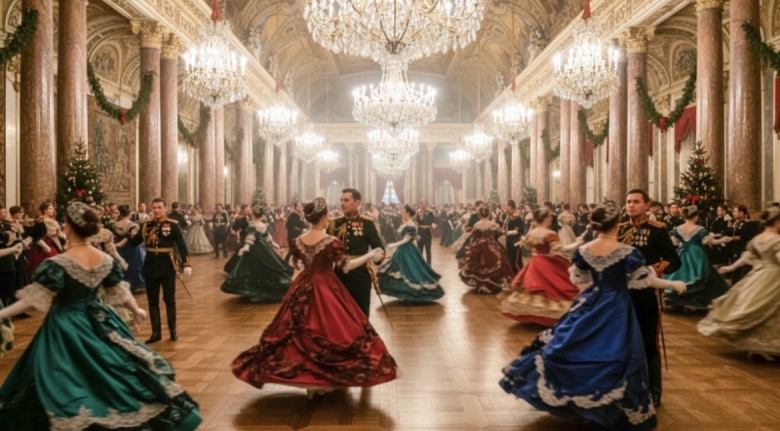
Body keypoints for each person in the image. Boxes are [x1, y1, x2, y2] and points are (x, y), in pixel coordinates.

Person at [0, 203, 201, 430]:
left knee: (59, 380)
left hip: (64, 327)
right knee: (110, 372)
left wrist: (2, 313)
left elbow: (32, 299)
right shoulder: (104, 260)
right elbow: (120, 292)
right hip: (99, 321)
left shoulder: (58, 263)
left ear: (69, 227)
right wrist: (136, 309)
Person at [500, 202, 686, 431]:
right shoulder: (627, 252)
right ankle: (606, 404)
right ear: (616, 224)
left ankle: (579, 396)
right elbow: (644, 280)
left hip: (590, 301)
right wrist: (672, 284)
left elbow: (579, 279)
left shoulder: (585, 250)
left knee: (577, 345)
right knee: (616, 351)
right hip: (617, 306)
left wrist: (589, 297)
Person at [231, 198, 397, 398]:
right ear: (324, 217)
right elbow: (346, 266)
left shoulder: (298, 241)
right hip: (327, 285)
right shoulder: (331, 241)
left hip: (303, 284)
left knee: (299, 328)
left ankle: (310, 384)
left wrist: (304, 267)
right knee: (331, 327)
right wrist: (368, 256)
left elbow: (295, 264)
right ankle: (324, 380)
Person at [618, 189, 681, 407]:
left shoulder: (657, 230)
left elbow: (674, 260)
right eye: (628, 201)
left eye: (636, 202)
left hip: (647, 294)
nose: (631, 205)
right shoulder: (620, 229)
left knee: (648, 342)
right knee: (623, 340)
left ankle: (654, 391)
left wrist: (653, 270)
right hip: (622, 294)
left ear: (647, 205)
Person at [698, 206, 780, 359]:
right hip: (774, 277)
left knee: (754, 306)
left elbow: (746, 257)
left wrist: (731, 267)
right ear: (777, 222)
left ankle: (757, 345)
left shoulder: (758, 238)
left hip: (759, 275)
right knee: (768, 308)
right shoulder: (777, 240)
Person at [500, 207, 583, 325]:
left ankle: (534, 315)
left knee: (535, 289)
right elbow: (560, 249)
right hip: (548, 263)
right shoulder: (549, 234)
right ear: (545, 218)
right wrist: (577, 243)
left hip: (535, 261)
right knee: (553, 288)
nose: (551, 218)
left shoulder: (532, 233)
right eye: (549, 216)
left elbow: (528, 246)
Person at [127, 198, 192, 343]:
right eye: (154, 208)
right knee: (152, 301)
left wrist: (186, 264)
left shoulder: (172, 225)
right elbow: (134, 243)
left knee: (169, 299)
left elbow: (182, 245)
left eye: (159, 207)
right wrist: (130, 232)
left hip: (167, 266)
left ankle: (173, 330)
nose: (156, 210)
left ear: (165, 208)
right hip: (150, 267)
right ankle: (156, 332)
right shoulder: (145, 225)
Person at [326, 189, 384, 317]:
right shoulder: (334, 223)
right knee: (340, 315)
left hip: (360, 276)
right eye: (341, 200)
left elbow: (379, 248)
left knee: (361, 313)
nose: (342, 203)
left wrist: (378, 257)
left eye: (346, 200)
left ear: (357, 202)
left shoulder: (367, 223)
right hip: (339, 276)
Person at [663, 205, 731, 310]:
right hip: (697, 254)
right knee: (700, 274)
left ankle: (681, 301)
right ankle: (693, 301)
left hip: (681, 252)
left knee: (680, 274)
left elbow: (674, 242)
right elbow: (708, 241)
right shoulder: (700, 229)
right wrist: (723, 240)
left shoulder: (678, 228)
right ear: (695, 217)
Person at [221, 205, 293, 302]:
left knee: (254, 270)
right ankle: (261, 291)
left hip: (254, 249)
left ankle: (256, 292)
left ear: (253, 215)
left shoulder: (252, 226)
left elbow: (251, 238)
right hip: (264, 248)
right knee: (264, 268)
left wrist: (246, 247)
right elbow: (267, 236)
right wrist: (273, 243)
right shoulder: (263, 225)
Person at [378, 205, 444, 302]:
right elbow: (411, 236)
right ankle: (405, 293)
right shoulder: (408, 224)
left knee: (410, 271)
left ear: (408, 213)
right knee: (402, 270)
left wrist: (393, 245)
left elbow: (406, 240)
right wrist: (415, 237)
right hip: (403, 249)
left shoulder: (410, 225)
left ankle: (411, 294)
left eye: (403, 212)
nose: (401, 213)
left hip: (407, 250)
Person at [458, 207, 514, 294]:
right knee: (492, 264)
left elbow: (473, 235)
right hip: (492, 245)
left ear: (480, 215)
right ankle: (488, 284)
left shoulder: (477, 224)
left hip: (478, 245)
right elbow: (499, 233)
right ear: (489, 214)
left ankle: (481, 284)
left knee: (480, 265)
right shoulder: (493, 224)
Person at [113, 205, 146, 293]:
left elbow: (115, 236)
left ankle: (122, 284)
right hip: (131, 246)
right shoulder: (133, 225)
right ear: (130, 214)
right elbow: (135, 237)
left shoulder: (115, 225)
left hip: (120, 248)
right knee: (134, 264)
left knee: (122, 263)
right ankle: (135, 285)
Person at [502, 200, 525, 274]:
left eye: (506, 206)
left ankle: (520, 277)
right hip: (508, 242)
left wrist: (507, 233)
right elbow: (505, 227)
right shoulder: (508, 216)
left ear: (511, 207)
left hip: (515, 242)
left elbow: (519, 230)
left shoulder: (517, 217)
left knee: (516, 262)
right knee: (509, 260)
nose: (505, 207)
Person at [414, 200, 436, 265]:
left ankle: (429, 265)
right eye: (422, 204)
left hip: (427, 233)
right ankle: (419, 265)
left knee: (428, 250)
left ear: (427, 205)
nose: (424, 205)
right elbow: (414, 221)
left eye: (425, 204)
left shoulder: (430, 213)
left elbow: (433, 221)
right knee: (419, 250)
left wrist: (433, 224)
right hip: (420, 233)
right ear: (420, 205)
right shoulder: (418, 213)